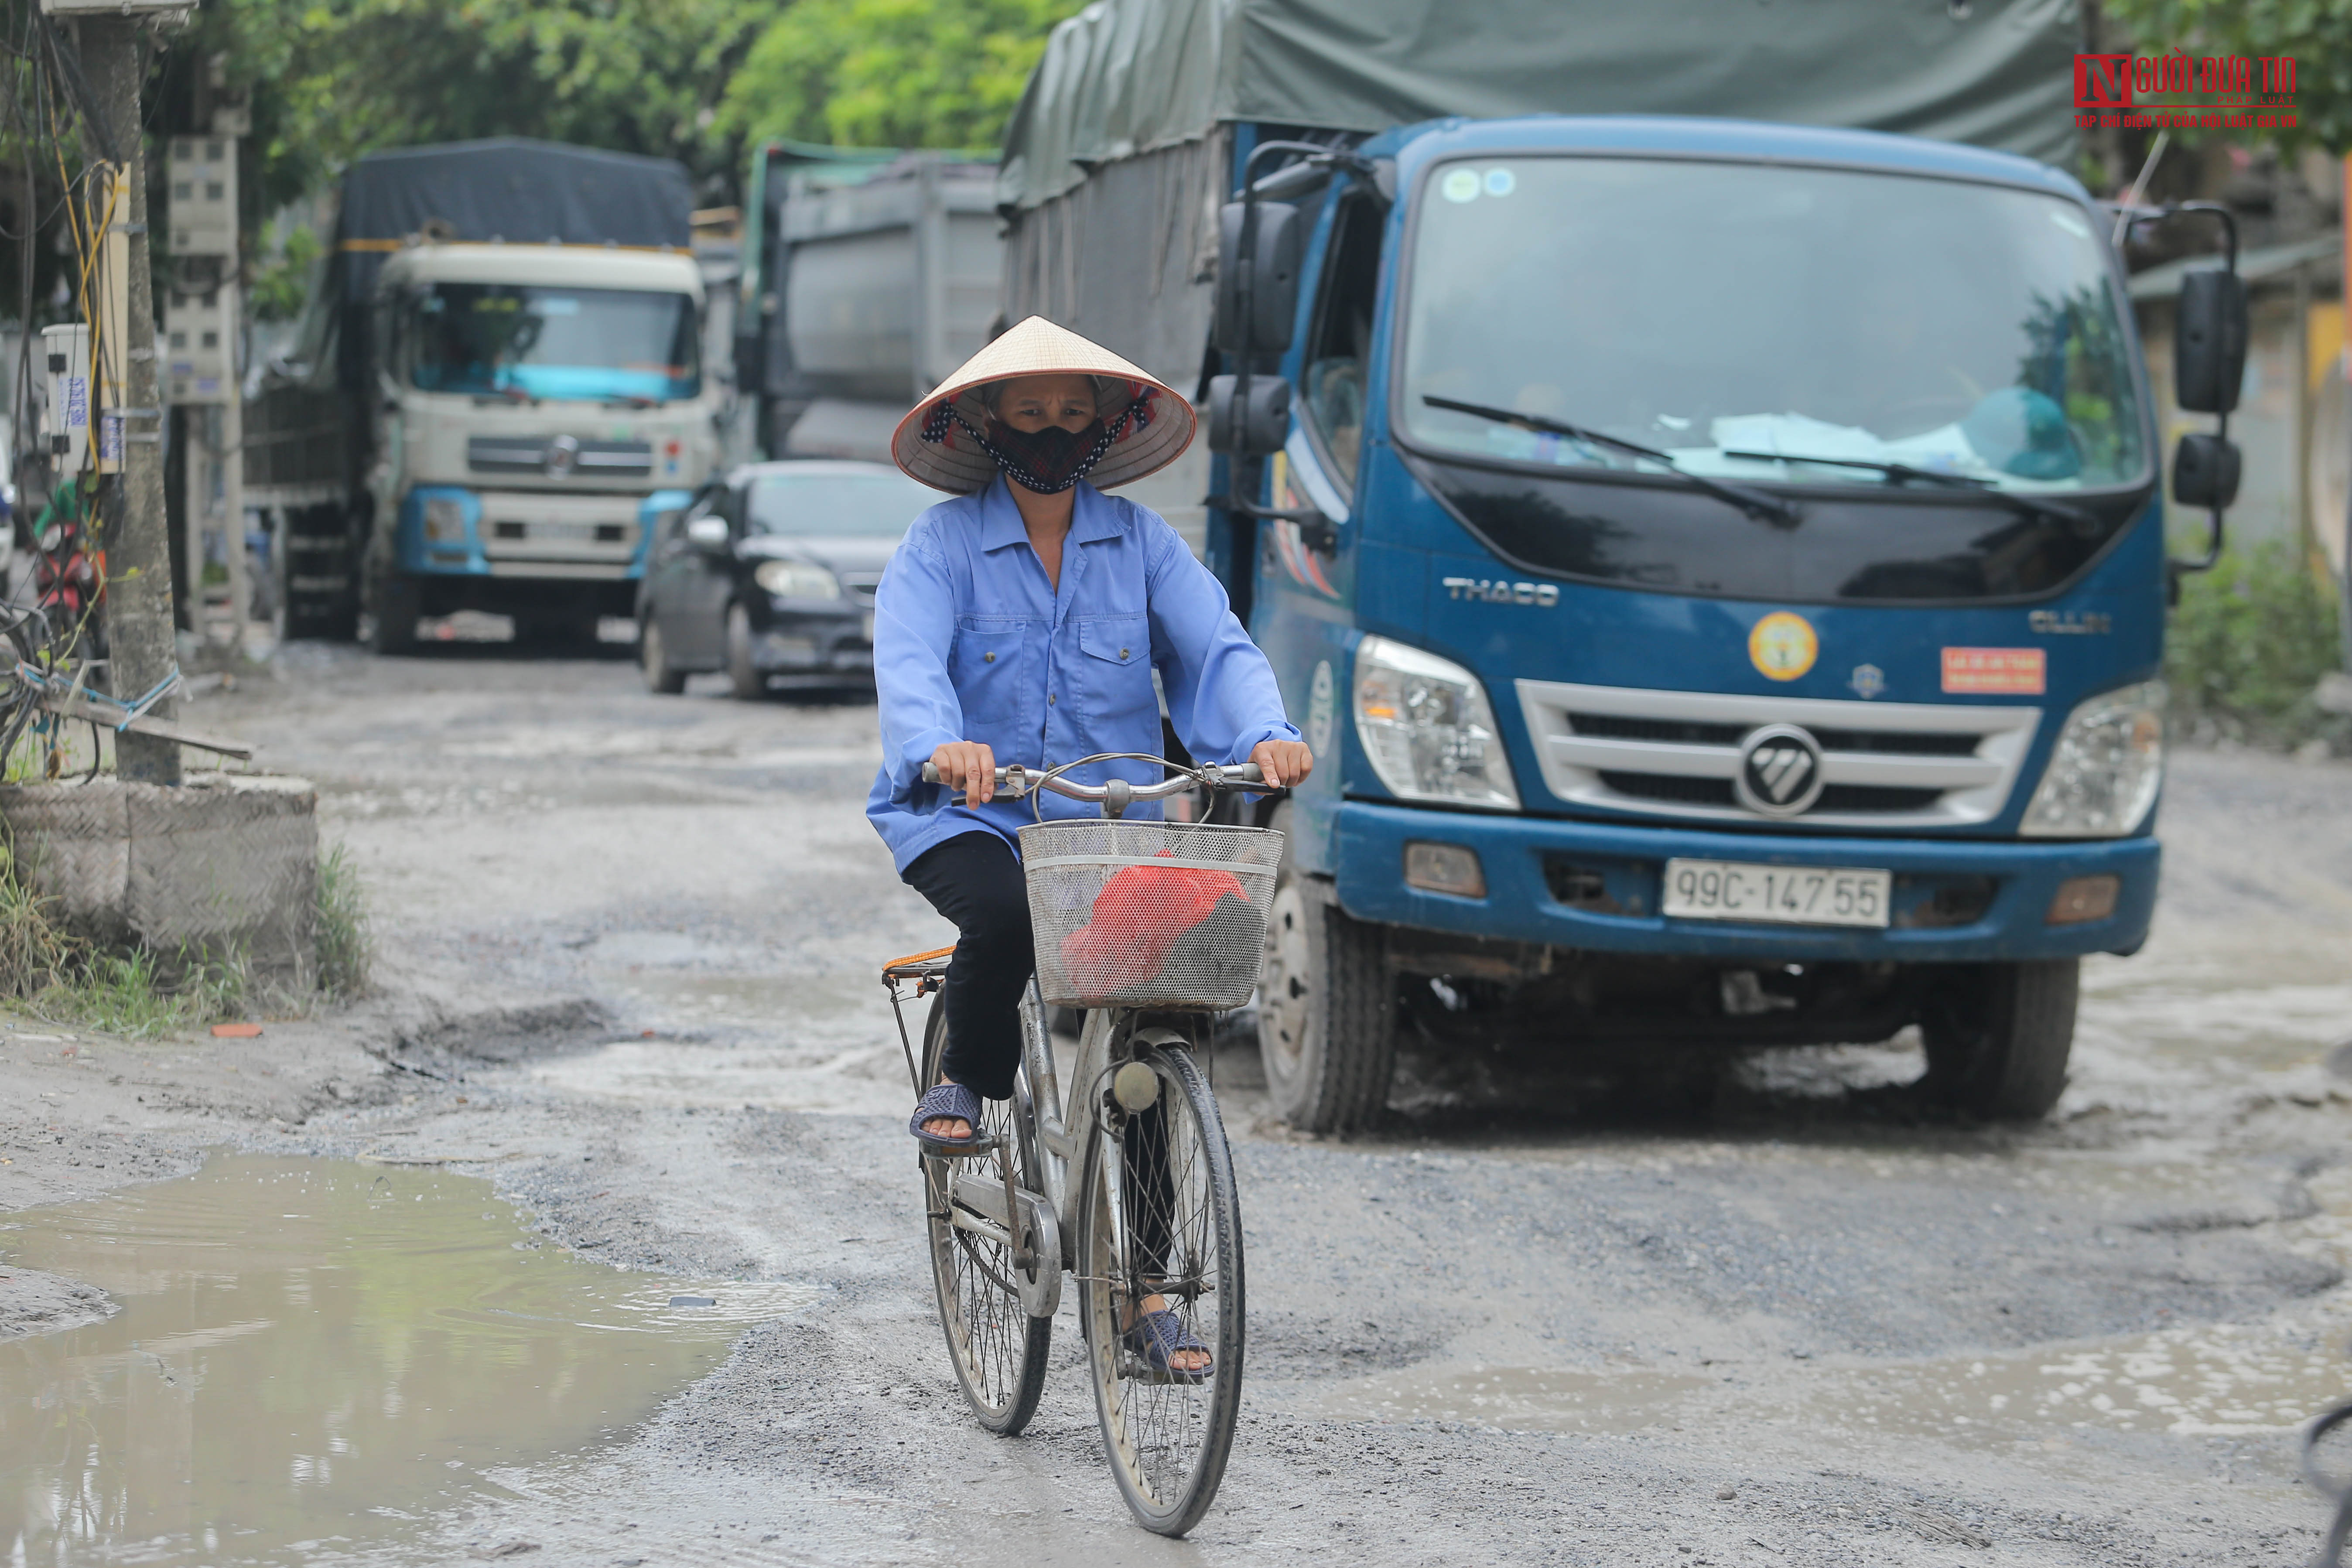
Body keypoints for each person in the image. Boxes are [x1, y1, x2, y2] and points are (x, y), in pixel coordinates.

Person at [869, 318, 1310, 1374]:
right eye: (1031, 412)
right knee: (1006, 911)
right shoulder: (937, 549)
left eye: (1073, 413)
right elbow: (911, 664)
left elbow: (1216, 647)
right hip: (968, 818)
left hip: (1110, 829)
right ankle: (965, 1087)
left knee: (1156, 1044)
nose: (1053, 430)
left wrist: (1266, 732)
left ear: (1104, 425)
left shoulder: (1146, 545)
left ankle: (1149, 1294)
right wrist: (941, 746)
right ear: (985, 422)